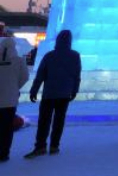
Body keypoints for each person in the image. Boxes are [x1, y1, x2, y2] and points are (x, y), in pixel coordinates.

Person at [25, 30, 82, 159]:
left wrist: (34, 90)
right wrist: (74, 90)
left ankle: (40, 146)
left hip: (49, 94)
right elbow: (76, 76)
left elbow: (40, 75)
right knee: (59, 121)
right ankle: (54, 146)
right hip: (64, 94)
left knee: (44, 120)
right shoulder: (75, 56)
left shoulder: (49, 56)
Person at [0, 36, 31, 162]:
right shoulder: (19, 61)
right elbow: (25, 77)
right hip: (10, 100)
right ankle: (4, 153)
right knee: (7, 128)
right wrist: (14, 87)